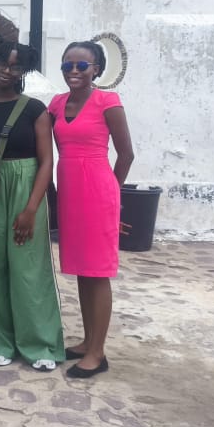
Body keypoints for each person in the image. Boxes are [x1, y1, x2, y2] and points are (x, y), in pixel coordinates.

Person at [0, 40, 64, 371]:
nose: (7, 70)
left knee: (29, 267)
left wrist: (32, 208)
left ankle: (40, 343)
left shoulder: (34, 109)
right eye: (2, 62)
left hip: (26, 188)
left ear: (24, 71)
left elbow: (47, 161)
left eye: (15, 66)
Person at [47, 40, 135, 379]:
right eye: (67, 65)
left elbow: (126, 154)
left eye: (82, 66)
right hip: (70, 187)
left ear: (96, 68)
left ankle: (98, 352)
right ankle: (87, 341)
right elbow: (55, 147)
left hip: (98, 188)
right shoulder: (56, 104)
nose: (73, 71)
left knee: (97, 271)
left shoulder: (107, 101)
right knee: (83, 268)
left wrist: (112, 192)